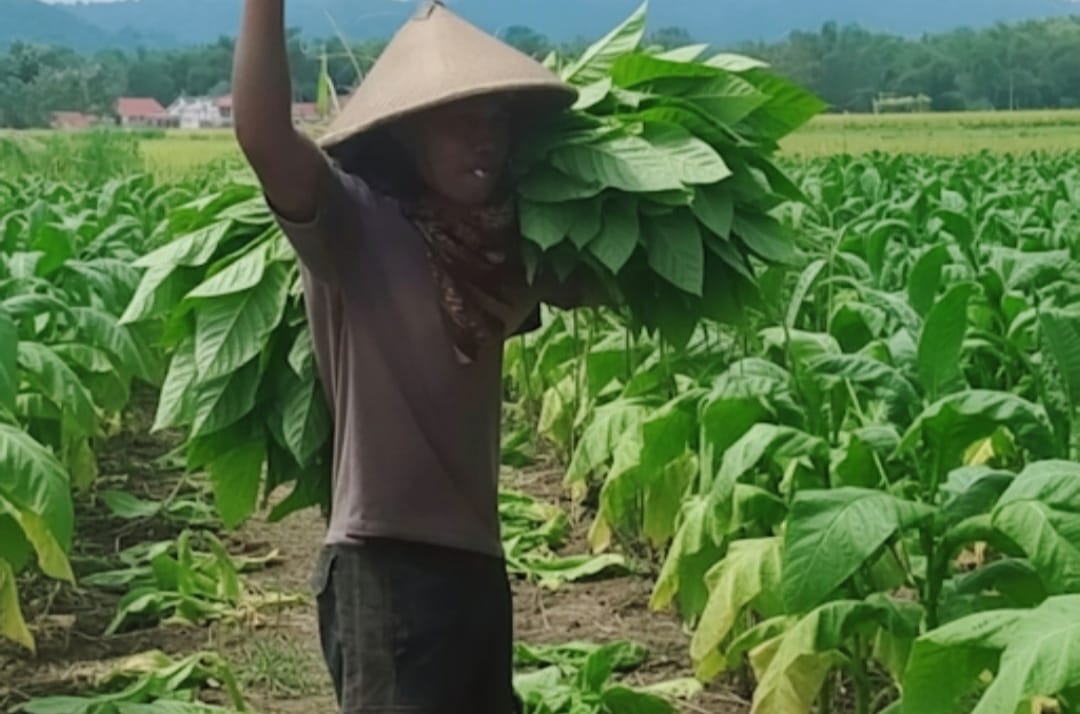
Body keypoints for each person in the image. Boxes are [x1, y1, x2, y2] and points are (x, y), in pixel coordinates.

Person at [231, 2, 589, 712]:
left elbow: (602, 276)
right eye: (458, 122)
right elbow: (265, 136)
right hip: (385, 567)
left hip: (477, 569)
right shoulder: (355, 224)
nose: (481, 140)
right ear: (407, 134)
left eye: (493, 121)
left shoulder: (496, 250)